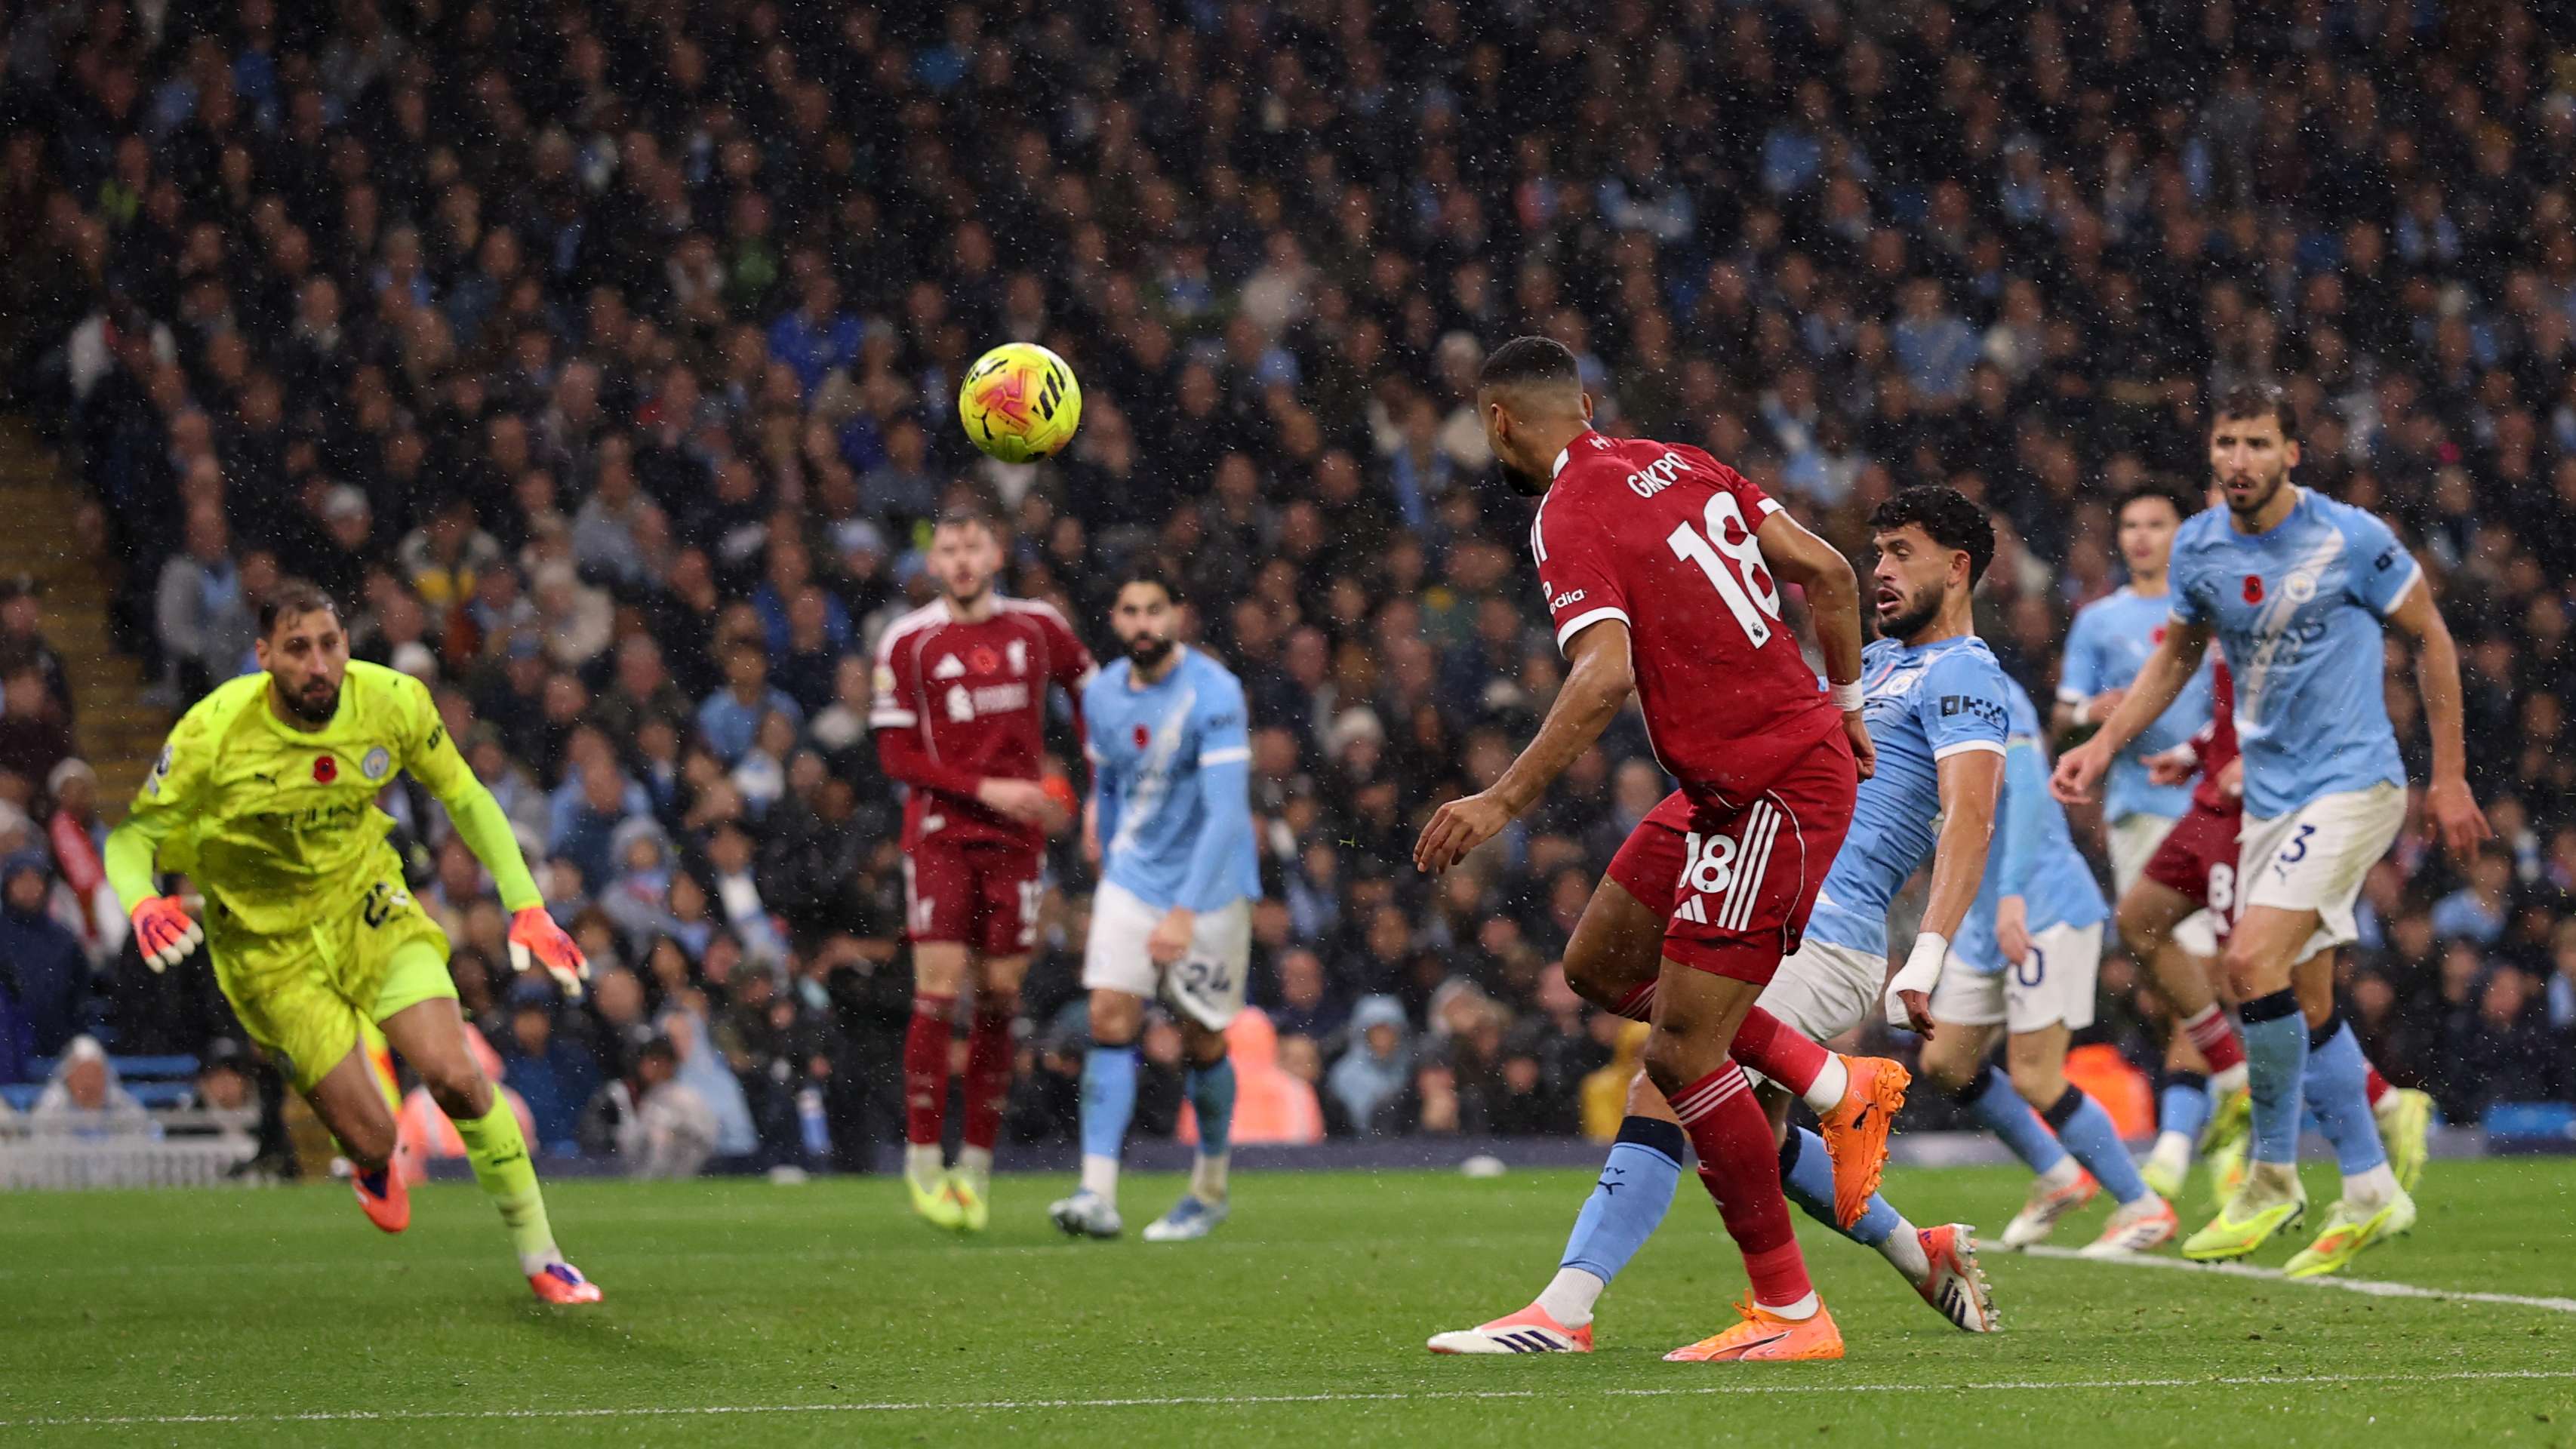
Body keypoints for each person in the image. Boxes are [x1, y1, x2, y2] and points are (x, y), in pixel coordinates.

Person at [1426, 484, 2008, 1355]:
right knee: (1741, 1131)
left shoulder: (1965, 672)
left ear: (1958, 568)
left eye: (1900, 554)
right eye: (1876, 552)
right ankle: (1913, 1248)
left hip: (1829, 926)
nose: (1878, 571)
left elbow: (1968, 817)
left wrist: (1925, 953)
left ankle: (1565, 1309)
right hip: (1767, 894)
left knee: (1668, 1074)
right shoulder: (1869, 669)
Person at [1411, 337, 1902, 1364]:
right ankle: (1829, 1084)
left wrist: (1501, 800)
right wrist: (1846, 704)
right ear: (1582, 402)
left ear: (1499, 423)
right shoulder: (1684, 461)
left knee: (1681, 1052)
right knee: (1599, 963)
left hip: (1768, 785)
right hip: (1734, 781)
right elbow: (1832, 572)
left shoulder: (1565, 510)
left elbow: (1600, 679)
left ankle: (1791, 1312)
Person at [2054, 383, 2489, 1279]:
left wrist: (2445, 779)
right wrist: (2103, 747)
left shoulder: (2348, 538)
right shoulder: (2199, 547)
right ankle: (2370, 1185)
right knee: (2306, 999)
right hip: (2269, 800)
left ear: (2292, 453)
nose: (2238, 460)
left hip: (2352, 787)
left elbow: (2432, 638)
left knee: (2247, 964)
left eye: (2256, 443)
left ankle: (2271, 1175)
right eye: (2225, 443)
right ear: (2209, 454)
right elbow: (2177, 655)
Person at [103, 580, 603, 1303]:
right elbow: (133, 839)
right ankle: (369, 1161)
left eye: (330, 645)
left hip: (365, 903)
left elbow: (464, 795)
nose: (319, 665)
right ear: (264, 655)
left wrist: (526, 905)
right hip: (266, 947)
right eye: (298, 649)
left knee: (457, 1077)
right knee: (372, 1137)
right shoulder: (211, 733)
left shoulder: (392, 701)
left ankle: (542, 1254)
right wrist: (143, 901)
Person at [870, 509, 1094, 1230]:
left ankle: (976, 1169)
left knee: (1000, 994)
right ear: (933, 562)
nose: (962, 560)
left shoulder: (1038, 627)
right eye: (949, 549)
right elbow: (896, 758)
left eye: (974, 546)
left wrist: (1088, 790)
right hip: (940, 834)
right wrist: (987, 790)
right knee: (938, 991)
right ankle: (923, 1160)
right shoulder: (908, 640)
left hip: (1017, 843)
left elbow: (1093, 697)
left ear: (997, 553)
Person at [1920, 673, 2174, 1255]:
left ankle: (2143, 1207)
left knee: (2035, 1075)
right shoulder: (1901, 683)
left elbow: (2031, 789)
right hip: (1982, 916)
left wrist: (2011, 894)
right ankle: (2058, 1175)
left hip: (2041, 906)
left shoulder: (1984, 683)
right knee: (1945, 1061)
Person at [1048, 571, 1259, 1241]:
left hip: (1212, 887)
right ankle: (1097, 1193)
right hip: (1133, 880)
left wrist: (1184, 911)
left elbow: (1227, 816)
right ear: (1114, 618)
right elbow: (1107, 783)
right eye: (1130, 610)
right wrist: (1109, 859)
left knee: (1202, 1038)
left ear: (1177, 616)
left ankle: (1209, 1188)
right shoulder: (1103, 695)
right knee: (1109, 1014)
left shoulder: (1215, 692)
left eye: (1154, 610)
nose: (1143, 623)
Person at [2054, 481, 2230, 1181]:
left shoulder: (2209, 609)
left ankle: (2182, 1139)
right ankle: (2211, 1112)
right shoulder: (2099, 621)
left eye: (2155, 523)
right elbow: (2064, 715)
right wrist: (2095, 712)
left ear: (2179, 533)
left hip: (2220, 808)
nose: (2140, 536)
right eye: (2130, 524)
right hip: (2137, 813)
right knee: (2177, 984)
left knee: (2210, 976)